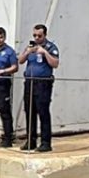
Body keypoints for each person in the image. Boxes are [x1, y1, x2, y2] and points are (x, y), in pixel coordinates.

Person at [21, 23, 59, 152]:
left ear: (45, 35)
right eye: (35, 35)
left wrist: (44, 53)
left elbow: (55, 64)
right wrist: (27, 52)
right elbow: (20, 61)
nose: (37, 38)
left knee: (43, 111)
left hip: (43, 83)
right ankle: (30, 140)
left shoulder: (50, 47)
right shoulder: (30, 47)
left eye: (39, 35)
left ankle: (45, 142)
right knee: (29, 111)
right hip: (29, 82)